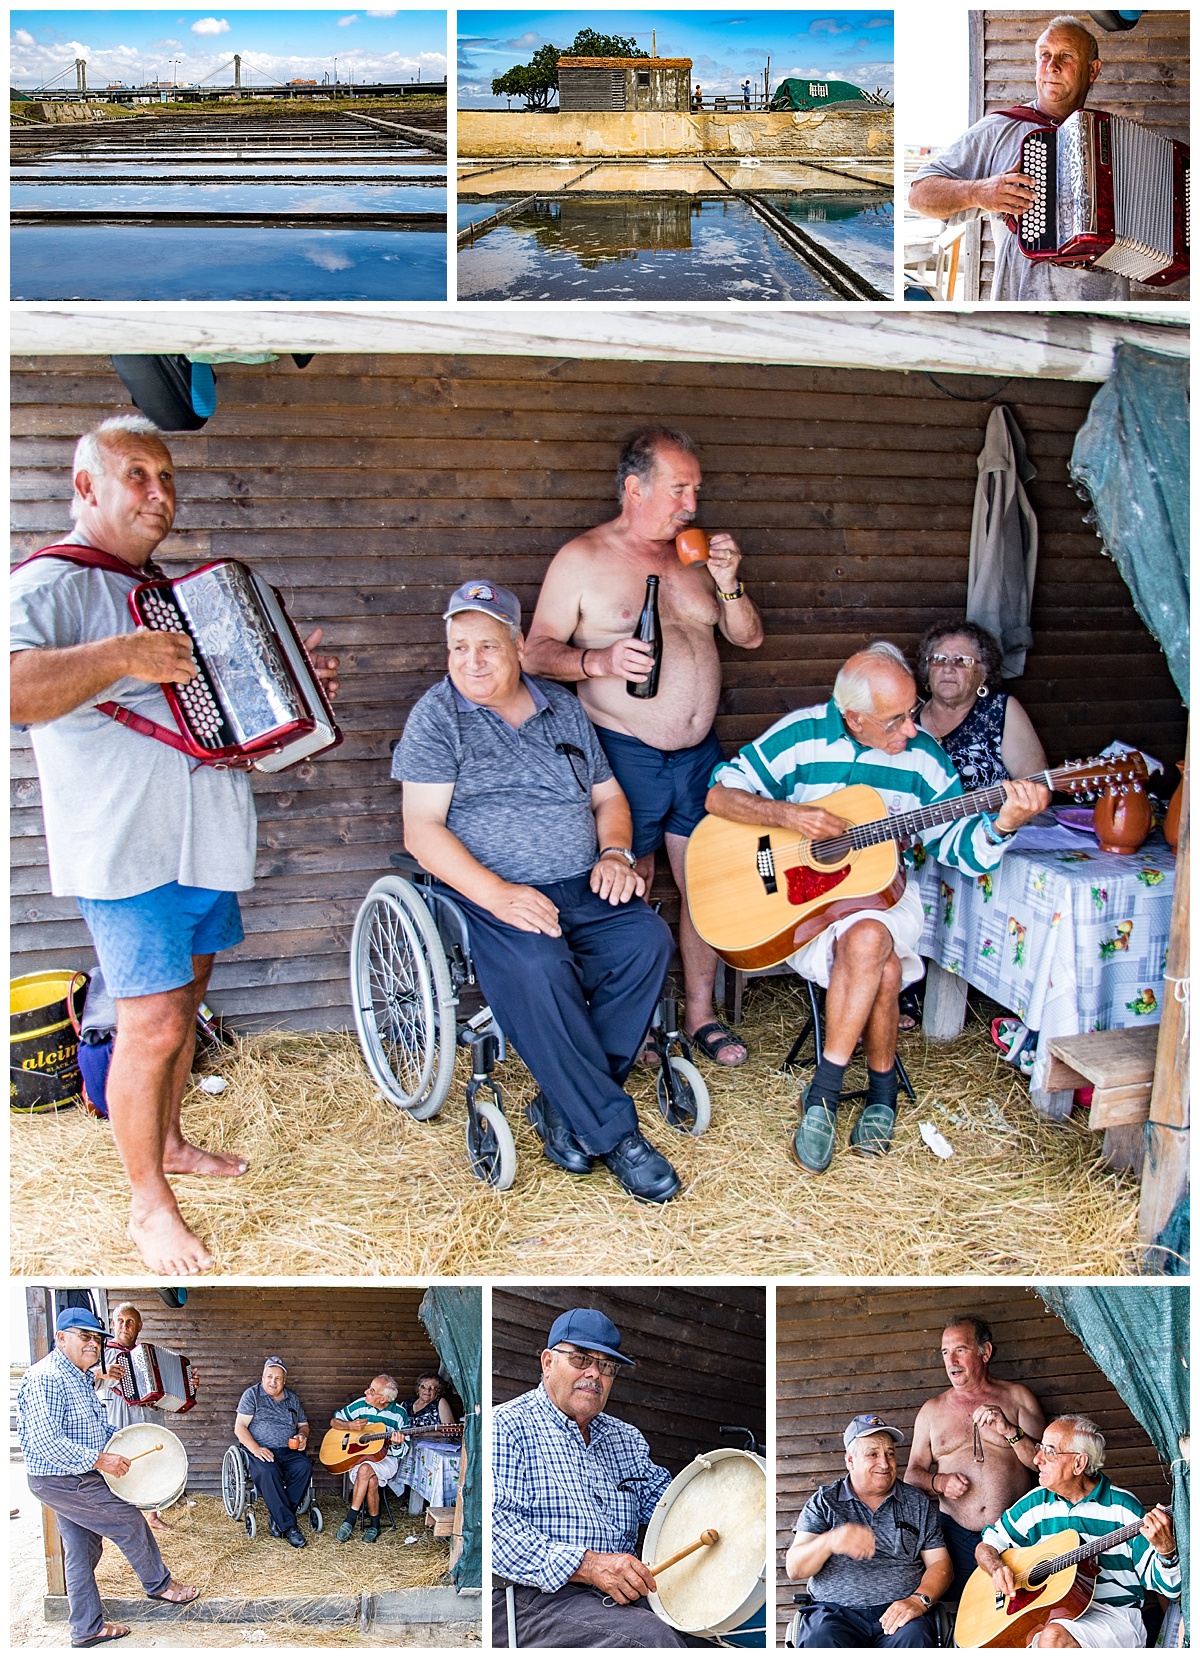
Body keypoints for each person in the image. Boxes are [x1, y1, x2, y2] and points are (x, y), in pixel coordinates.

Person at [9, 414, 339, 1278]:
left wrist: (290, 687)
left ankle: (175, 1141)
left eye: (166, 476)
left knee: (183, 1005)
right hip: (127, 849)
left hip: (204, 839)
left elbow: (222, 712)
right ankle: (148, 1206)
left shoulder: (171, 592)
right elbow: (13, 689)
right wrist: (121, 654)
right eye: (136, 476)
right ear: (87, 487)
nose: (159, 493)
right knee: (148, 1023)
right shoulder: (47, 585)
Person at [705, 641, 1050, 1174]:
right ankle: (882, 1091)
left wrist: (1003, 823)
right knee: (881, 964)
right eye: (895, 721)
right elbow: (720, 794)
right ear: (853, 719)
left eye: (912, 714)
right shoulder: (800, 735)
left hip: (890, 896)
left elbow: (961, 850)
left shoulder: (924, 757)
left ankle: (823, 1093)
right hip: (804, 908)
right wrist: (789, 817)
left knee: (868, 935)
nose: (911, 730)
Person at [394, 580, 679, 1205]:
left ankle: (562, 1107)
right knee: (542, 964)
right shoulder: (438, 717)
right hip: (492, 894)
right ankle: (614, 1134)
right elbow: (422, 831)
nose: (472, 662)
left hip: (583, 880)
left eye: (488, 647)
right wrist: (497, 893)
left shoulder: (562, 706)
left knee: (646, 941)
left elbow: (608, 798)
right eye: (459, 647)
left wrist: (614, 852)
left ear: (519, 646)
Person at [524, 425, 764, 1070]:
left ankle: (700, 1015)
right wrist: (598, 658)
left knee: (705, 884)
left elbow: (747, 638)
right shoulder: (583, 558)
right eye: (678, 488)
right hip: (622, 748)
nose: (691, 503)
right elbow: (536, 652)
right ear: (635, 488)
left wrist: (731, 581)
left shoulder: (696, 557)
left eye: (696, 489)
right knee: (633, 881)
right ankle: (643, 1022)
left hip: (698, 754)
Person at [908, 16, 1169, 301]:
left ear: (1092, 70)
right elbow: (919, 194)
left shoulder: (1117, 144)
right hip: (1022, 307)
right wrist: (981, 192)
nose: (1051, 66)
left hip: (1104, 311)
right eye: (1044, 55)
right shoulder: (1000, 129)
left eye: (1066, 56)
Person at [491, 1307, 697, 1648]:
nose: (594, 1374)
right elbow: (496, 1533)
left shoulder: (625, 1438)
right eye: (580, 1359)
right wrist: (588, 1566)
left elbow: (668, 1506)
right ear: (547, 1362)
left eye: (606, 1366)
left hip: (616, 1597)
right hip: (530, 1597)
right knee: (650, 1640)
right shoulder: (507, 1426)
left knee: (703, 1629)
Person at [17, 1306, 199, 1648]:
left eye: (97, 1339)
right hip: (63, 1478)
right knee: (128, 1521)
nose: (93, 1344)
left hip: (75, 1472)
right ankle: (160, 1586)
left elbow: (96, 1428)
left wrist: (132, 1441)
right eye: (85, 1337)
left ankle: (87, 1628)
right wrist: (101, 1459)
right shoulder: (47, 1378)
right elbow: (46, 1443)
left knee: (82, 1551)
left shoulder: (79, 1376)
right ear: (61, 1338)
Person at [976, 1414, 1179, 1649]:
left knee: (1052, 1638)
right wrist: (996, 1568)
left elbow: (1169, 1588)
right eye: (1040, 1448)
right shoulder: (1035, 1503)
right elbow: (987, 1545)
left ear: (1079, 1464)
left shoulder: (1122, 1508)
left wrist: (1167, 1551)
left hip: (1113, 1618)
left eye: (1050, 1451)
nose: (1037, 1458)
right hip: (1051, 1613)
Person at [905, 1316, 1045, 1600]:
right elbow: (912, 1474)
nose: (951, 1360)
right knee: (965, 1614)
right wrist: (939, 1482)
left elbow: (1044, 1463)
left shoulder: (1017, 1398)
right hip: (954, 1536)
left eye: (960, 1349)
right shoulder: (932, 1411)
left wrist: (1009, 1431)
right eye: (945, 1352)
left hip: (1015, 1530)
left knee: (1021, 1607)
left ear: (985, 1352)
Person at [786, 1412, 952, 1648]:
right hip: (835, 1614)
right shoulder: (824, 1502)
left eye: (890, 1454)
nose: (884, 1464)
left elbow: (940, 1564)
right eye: (873, 1454)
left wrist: (918, 1601)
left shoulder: (916, 1502)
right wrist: (831, 1541)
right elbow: (794, 1568)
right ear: (850, 1460)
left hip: (900, 1612)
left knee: (915, 1637)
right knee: (820, 1637)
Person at [94, 1301, 200, 1533]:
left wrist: (188, 1385)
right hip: (119, 1413)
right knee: (122, 1460)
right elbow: (83, 1381)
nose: (124, 1326)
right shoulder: (101, 1354)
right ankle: (122, 1520)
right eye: (120, 1321)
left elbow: (170, 1387)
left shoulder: (148, 1354)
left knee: (153, 1460)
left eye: (130, 1322)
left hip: (150, 1415)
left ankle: (152, 1515)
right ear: (113, 1324)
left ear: (139, 1326)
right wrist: (100, 1373)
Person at [917, 622, 1049, 793]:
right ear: (928, 670)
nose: (948, 669)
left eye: (962, 661)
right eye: (939, 660)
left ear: (983, 673)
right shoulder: (910, 713)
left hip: (992, 818)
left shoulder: (999, 710)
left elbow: (1036, 787)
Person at [234, 1358, 313, 1549]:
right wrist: (255, 1448)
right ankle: (289, 1527)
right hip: (260, 1449)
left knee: (304, 1466)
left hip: (288, 1450)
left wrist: (302, 1435)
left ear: (284, 1381)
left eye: (278, 1378)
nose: (273, 1382)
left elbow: (304, 1425)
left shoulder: (292, 1398)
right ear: (262, 1377)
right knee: (268, 1471)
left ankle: (278, 1520)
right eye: (269, 1377)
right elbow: (240, 1427)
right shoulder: (252, 1395)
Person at [332, 1374, 409, 1543]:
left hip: (386, 1460)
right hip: (359, 1456)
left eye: (372, 1391)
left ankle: (350, 1519)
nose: (366, 1391)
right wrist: (348, 1426)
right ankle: (375, 1525)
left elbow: (402, 1451)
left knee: (366, 1469)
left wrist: (396, 1444)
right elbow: (334, 1421)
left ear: (383, 1399)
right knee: (370, 1479)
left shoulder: (400, 1415)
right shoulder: (360, 1405)